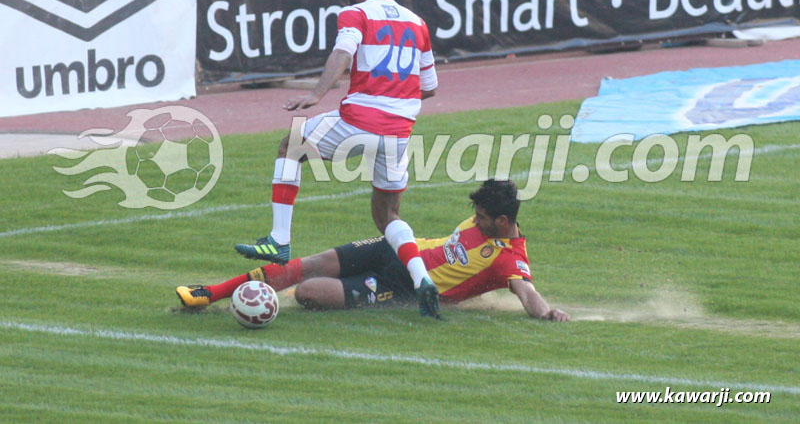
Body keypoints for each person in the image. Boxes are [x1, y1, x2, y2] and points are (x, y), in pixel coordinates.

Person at [234, 0, 440, 317]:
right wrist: (395, 95)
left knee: (291, 145)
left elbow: (342, 52)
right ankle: (422, 278)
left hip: (358, 120)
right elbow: (429, 88)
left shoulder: (356, 13)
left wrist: (317, 93)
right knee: (388, 215)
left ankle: (279, 240)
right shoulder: (417, 22)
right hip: (398, 133)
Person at [178, 180, 569, 322]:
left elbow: (527, 293)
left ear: (502, 221)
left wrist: (548, 312)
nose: (476, 219)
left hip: (398, 285)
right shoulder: (485, 222)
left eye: (482, 216)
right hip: (397, 249)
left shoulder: (509, 258)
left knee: (307, 292)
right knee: (310, 264)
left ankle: (258, 300)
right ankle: (209, 293)